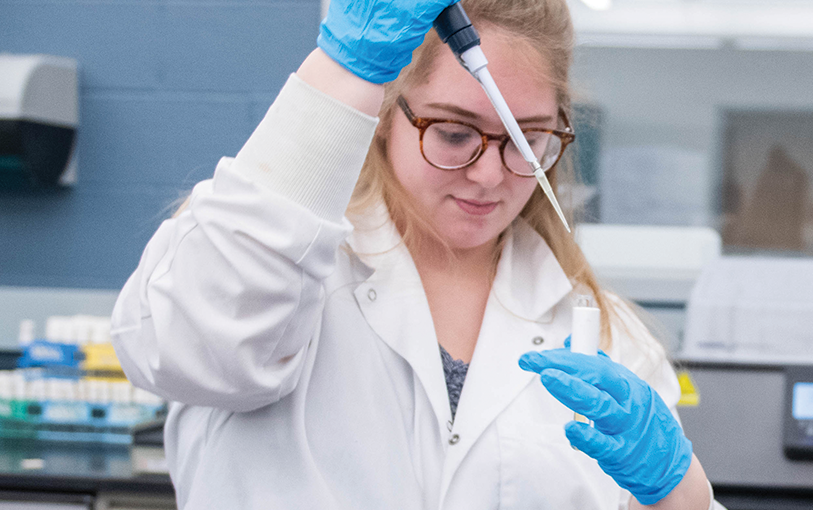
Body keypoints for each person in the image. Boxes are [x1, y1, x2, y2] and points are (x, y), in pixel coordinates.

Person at [107, 0, 712, 507]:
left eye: (527, 140)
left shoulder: (616, 341)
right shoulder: (273, 264)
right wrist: (340, 75)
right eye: (453, 133)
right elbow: (178, 348)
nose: (489, 176)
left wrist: (680, 492)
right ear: (385, 116)